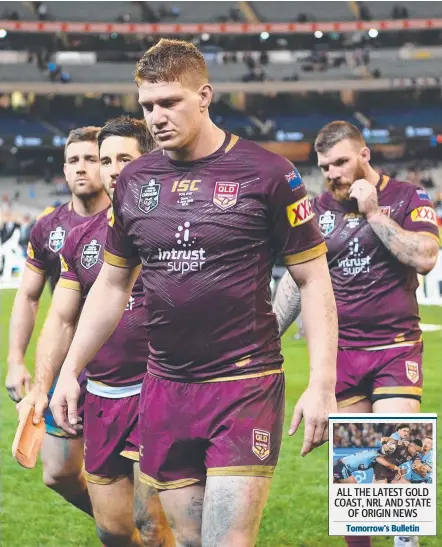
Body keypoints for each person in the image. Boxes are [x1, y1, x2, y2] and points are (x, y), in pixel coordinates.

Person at [50, 38, 338, 547]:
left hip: (243, 385)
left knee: (227, 541)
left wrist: (322, 383)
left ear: (204, 96)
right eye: (147, 106)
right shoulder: (136, 181)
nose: (157, 116)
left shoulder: (269, 174)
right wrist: (71, 369)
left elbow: (313, 278)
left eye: (169, 102)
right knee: (186, 541)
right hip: (164, 388)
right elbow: (112, 284)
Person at [273, 121, 439, 547]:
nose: (333, 174)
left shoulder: (407, 197)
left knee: (399, 445)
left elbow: (424, 257)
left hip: (394, 346)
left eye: (341, 162)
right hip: (340, 352)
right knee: (357, 471)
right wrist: (268, 337)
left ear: (364, 155)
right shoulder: (314, 212)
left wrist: (374, 214)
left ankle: (406, 541)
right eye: (325, 166)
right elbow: (295, 282)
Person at [18, 118, 171, 546]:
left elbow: (303, 279)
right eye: (107, 160)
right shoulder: (78, 237)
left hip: (160, 389)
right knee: (115, 531)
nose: (112, 169)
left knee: (155, 524)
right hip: (103, 391)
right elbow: (60, 315)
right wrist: (48, 379)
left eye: (124, 159)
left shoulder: (182, 226)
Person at [7, 126, 110, 516]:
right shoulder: (48, 227)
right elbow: (30, 296)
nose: (81, 168)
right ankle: (123, 530)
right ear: (64, 170)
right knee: (59, 473)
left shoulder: (127, 221)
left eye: (91, 159)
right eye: (73, 161)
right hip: (70, 362)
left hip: (129, 361)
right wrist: (16, 359)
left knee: (135, 475)